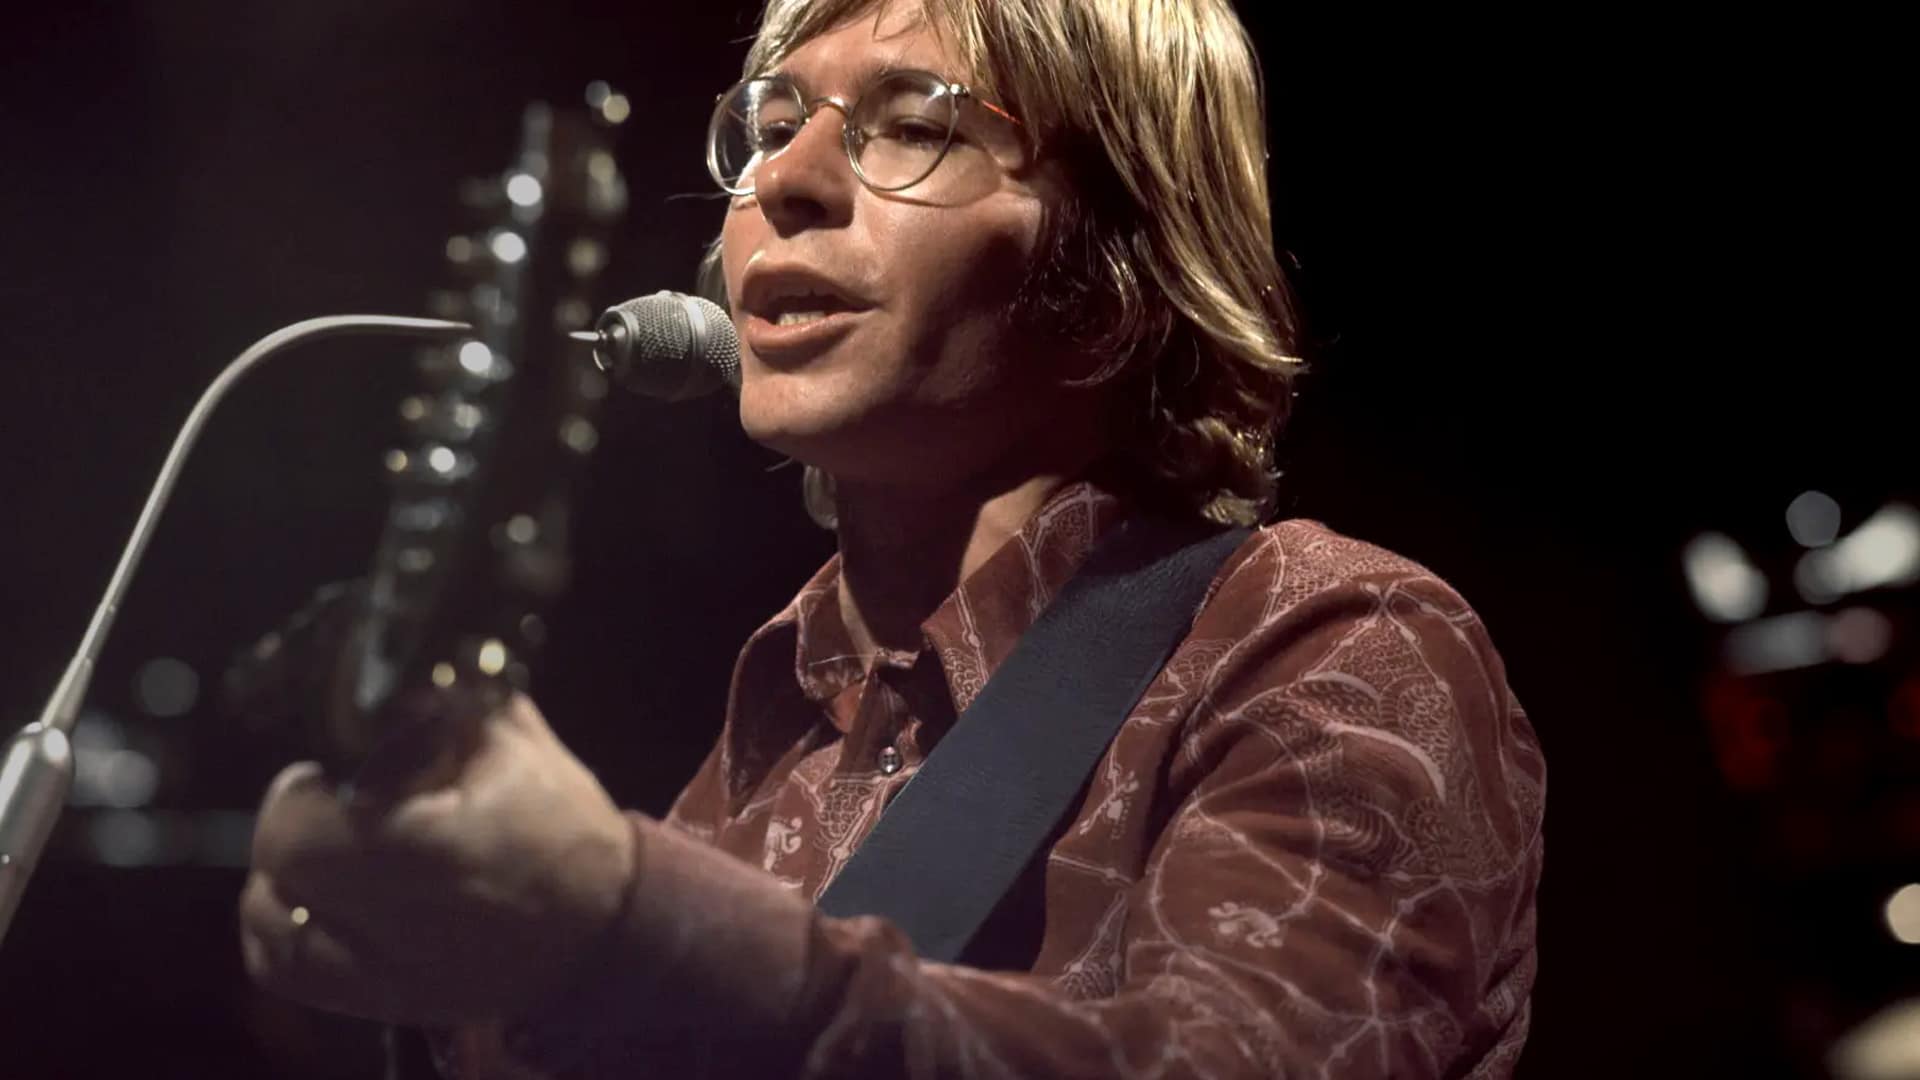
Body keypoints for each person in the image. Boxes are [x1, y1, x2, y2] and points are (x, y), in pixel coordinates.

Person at [240, 0, 1546, 1076]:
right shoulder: (783, 712)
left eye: (911, 124)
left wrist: (621, 924)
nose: (786, 182)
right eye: (768, 127)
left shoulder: (1328, 641)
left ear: (1124, 244)